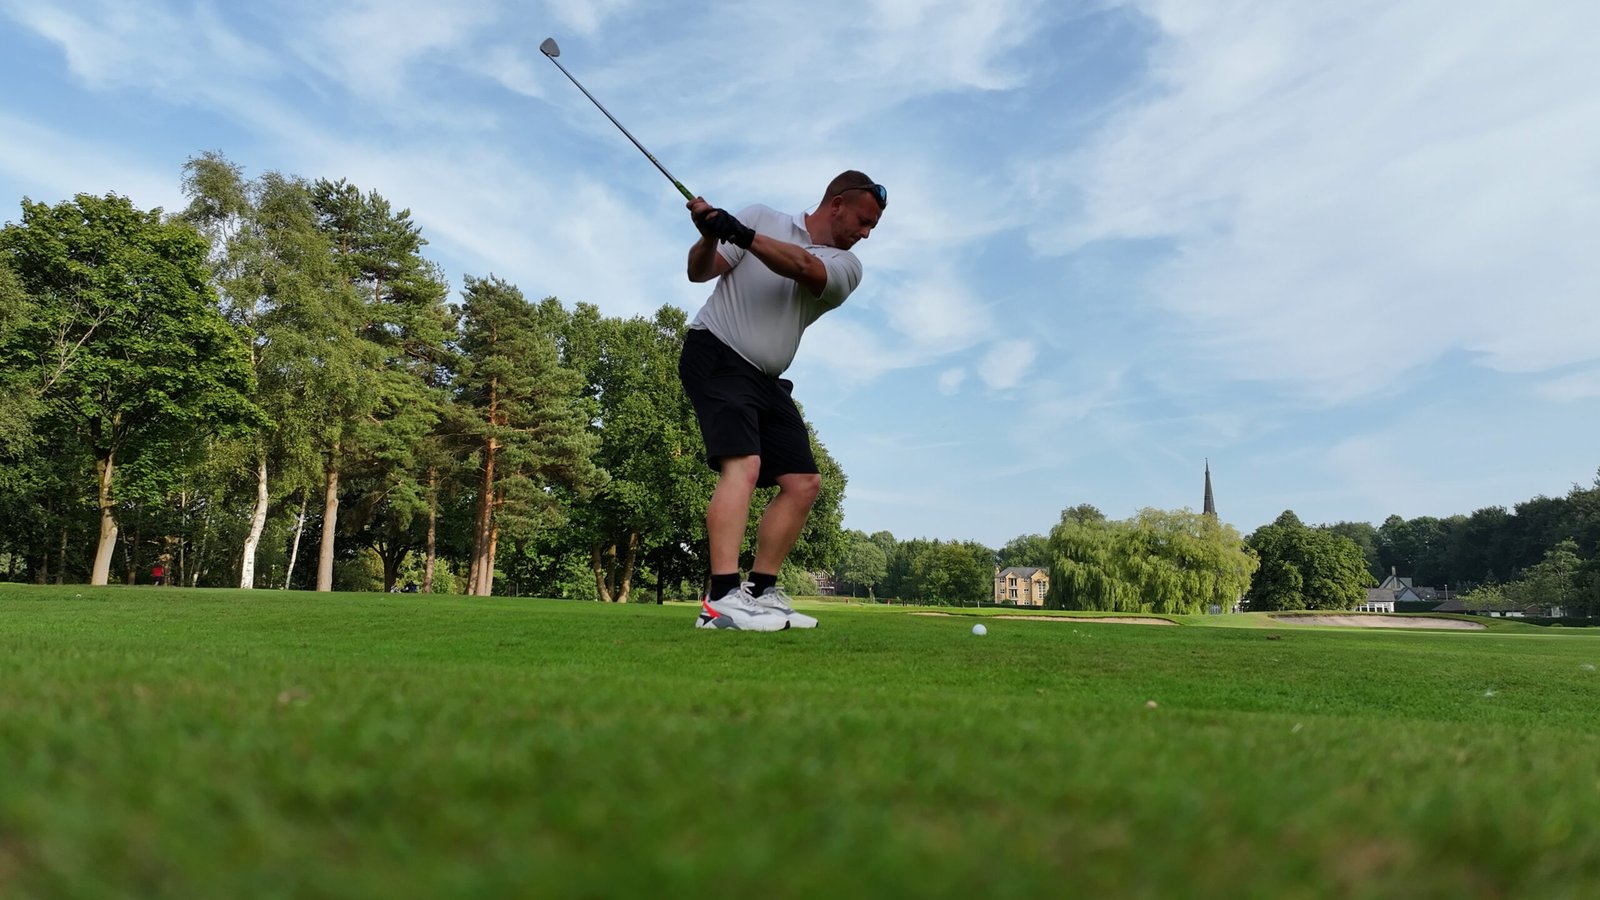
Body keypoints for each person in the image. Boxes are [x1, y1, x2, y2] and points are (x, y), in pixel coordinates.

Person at [679, 170, 886, 631]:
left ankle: (760, 592)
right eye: (864, 219)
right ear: (836, 204)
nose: (867, 233)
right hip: (715, 351)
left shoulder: (846, 266)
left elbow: (802, 268)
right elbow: (699, 272)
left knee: (803, 483)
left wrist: (743, 236)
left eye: (873, 227)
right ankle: (720, 600)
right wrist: (710, 237)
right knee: (745, 466)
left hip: (766, 378)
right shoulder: (761, 217)